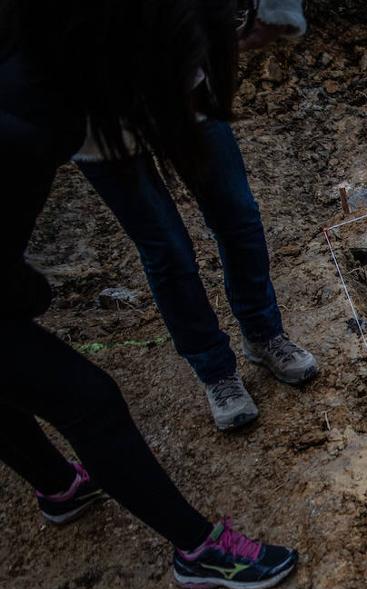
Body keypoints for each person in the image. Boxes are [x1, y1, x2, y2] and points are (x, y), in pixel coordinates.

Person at [1, 0, 297, 589]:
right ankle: (197, 551)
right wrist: (21, 291)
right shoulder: (32, 123)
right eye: (186, 76)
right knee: (91, 402)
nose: (199, 92)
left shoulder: (52, 56)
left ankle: (59, 487)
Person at [71, 3, 317, 432]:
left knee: (239, 216)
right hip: (91, 104)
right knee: (167, 251)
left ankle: (262, 334)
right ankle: (215, 370)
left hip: (180, 78)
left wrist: (277, 10)